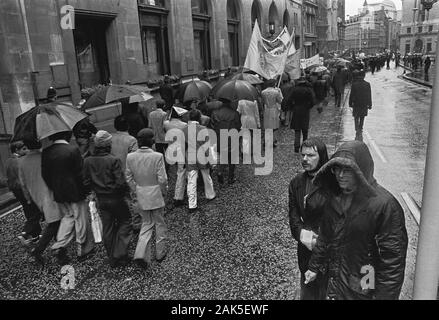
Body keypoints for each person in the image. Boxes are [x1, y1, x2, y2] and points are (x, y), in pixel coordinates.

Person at [304, 141, 408, 300]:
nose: (340, 175)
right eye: (337, 169)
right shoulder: (334, 197)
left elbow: (392, 263)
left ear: (361, 170)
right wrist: (314, 266)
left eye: (347, 170)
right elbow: (325, 236)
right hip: (335, 284)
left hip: (365, 286)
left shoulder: (384, 206)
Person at [42, 131, 95, 265]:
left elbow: (45, 175)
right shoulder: (72, 150)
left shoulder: (46, 152)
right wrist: (87, 190)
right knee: (80, 218)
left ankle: (59, 245)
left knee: (68, 217)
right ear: (66, 136)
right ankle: (83, 249)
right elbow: (80, 173)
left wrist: (54, 188)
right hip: (75, 191)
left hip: (59, 192)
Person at [83, 131, 132, 268]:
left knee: (108, 227)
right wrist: (125, 194)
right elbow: (120, 182)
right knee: (125, 222)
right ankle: (120, 252)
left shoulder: (87, 161)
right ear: (107, 145)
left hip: (101, 199)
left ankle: (112, 257)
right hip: (115, 197)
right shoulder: (113, 160)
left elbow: (85, 182)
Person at [289, 138, 329, 300]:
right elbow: (293, 217)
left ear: (321, 157)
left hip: (328, 248)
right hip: (306, 249)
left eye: (311, 155)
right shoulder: (296, 182)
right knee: (307, 291)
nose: (305, 159)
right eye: (303, 155)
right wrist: (304, 237)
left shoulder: (332, 182)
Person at [126, 129, 168, 268]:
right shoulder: (157, 156)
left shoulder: (130, 157)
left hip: (141, 193)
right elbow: (162, 179)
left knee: (146, 223)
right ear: (151, 141)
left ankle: (140, 253)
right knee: (159, 223)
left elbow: (128, 177)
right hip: (155, 193)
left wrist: (136, 189)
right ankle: (160, 253)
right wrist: (163, 191)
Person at [19, 139, 63, 265]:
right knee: (55, 222)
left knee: (56, 222)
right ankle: (40, 249)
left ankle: (60, 248)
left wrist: (28, 199)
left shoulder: (22, 162)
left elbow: (23, 184)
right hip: (50, 193)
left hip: (36, 195)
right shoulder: (44, 156)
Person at [5, 141, 42, 244]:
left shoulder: (8, 161)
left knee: (28, 210)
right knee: (36, 212)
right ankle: (25, 232)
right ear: (17, 150)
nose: (27, 151)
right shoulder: (20, 161)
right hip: (23, 189)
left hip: (15, 190)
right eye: (24, 149)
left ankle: (35, 235)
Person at [183, 110, 216, 213]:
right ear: (199, 118)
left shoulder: (184, 130)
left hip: (190, 156)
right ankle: (210, 195)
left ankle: (192, 204)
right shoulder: (203, 129)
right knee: (206, 177)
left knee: (191, 180)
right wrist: (212, 160)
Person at [211, 100, 242, 185]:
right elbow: (238, 126)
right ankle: (230, 178)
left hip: (220, 137)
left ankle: (220, 171)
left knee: (223, 157)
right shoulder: (235, 113)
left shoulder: (215, 113)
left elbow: (213, 126)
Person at [164, 107, 189, 207]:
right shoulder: (184, 125)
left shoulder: (166, 123)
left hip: (170, 150)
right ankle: (178, 197)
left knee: (172, 173)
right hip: (181, 151)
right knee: (181, 173)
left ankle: (170, 191)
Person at [286, 77, 315, 153]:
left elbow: (289, 100)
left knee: (297, 129)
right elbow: (313, 101)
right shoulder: (308, 90)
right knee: (305, 130)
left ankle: (296, 147)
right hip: (305, 110)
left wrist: (292, 107)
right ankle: (304, 146)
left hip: (296, 110)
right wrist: (308, 107)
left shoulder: (294, 89)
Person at [349, 71, 372, 142]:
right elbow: (369, 95)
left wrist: (350, 103)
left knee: (356, 116)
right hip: (364, 103)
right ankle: (360, 127)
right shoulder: (367, 84)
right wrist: (370, 104)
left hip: (356, 103)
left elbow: (351, 94)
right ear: (364, 76)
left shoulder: (354, 84)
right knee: (362, 116)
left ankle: (357, 128)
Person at [149, 99, 170, 171]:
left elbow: (150, 125)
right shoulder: (164, 114)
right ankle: (168, 167)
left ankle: (161, 167)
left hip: (156, 136)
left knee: (159, 153)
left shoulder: (151, 114)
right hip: (164, 136)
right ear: (163, 106)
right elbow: (165, 125)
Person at [261, 81, 283, 147]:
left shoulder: (263, 92)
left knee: (267, 126)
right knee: (274, 126)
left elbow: (263, 101)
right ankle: (273, 141)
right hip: (274, 109)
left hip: (266, 109)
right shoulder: (276, 92)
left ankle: (266, 141)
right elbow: (280, 101)